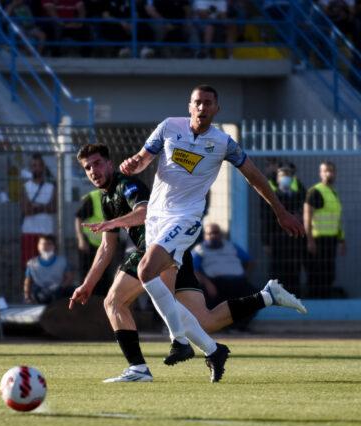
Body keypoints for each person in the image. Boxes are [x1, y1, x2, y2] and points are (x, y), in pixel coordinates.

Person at [70, 143, 306, 382]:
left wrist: (112, 223)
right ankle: (267, 297)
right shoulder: (106, 198)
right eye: (88, 167)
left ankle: (138, 368)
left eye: (97, 164)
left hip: (154, 249)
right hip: (175, 251)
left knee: (114, 301)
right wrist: (87, 285)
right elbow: (107, 247)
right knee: (205, 321)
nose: (93, 171)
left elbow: (144, 212)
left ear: (110, 163)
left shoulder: (127, 184)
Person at [119, 85, 305, 382]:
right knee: (169, 299)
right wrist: (132, 164)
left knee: (145, 271)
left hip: (186, 218)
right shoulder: (169, 127)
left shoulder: (223, 143)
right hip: (156, 219)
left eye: (208, 103)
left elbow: (254, 176)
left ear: (217, 109)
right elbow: (143, 158)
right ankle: (213, 349)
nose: (202, 108)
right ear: (189, 106)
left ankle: (178, 342)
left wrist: (280, 211)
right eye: (197, 102)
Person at [192, 222, 257, 327]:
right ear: (205, 235)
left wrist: (245, 274)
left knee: (255, 297)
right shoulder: (199, 250)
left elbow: (250, 261)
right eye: (210, 233)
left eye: (216, 232)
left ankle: (241, 326)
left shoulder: (231, 246)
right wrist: (207, 283)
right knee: (205, 298)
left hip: (238, 282)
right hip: (216, 284)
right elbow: (192, 270)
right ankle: (221, 327)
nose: (213, 235)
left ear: (221, 234)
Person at [304, 161, 345, 298]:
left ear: (335, 173)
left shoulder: (333, 192)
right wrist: (310, 240)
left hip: (331, 239)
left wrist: (342, 239)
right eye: (325, 170)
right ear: (320, 173)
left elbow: (336, 218)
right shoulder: (315, 191)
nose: (328, 173)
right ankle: (315, 300)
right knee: (317, 274)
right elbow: (307, 217)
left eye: (331, 170)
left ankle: (326, 298)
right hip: (318, 240)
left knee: (329, 274)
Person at [262, 165, 305, 295]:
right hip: (277, 238)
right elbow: (266, 220)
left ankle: (294, 296)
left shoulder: (298, 195)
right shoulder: (273, 196)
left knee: (294, 268)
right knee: (277, 268)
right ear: (277, 179)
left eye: (288, 175)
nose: (285, 178)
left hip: (294, 238)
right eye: (282, 175)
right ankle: (276, 296)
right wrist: (266, 242)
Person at [20, 153, 56, 268]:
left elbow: (54, 208)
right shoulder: (26, 187)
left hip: (46, 231)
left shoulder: (51, 187)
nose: (36, 168)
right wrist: (44, 207)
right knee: (28, 265)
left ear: (43, 167)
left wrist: (35, 207)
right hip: (29, 231)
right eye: (34, 165)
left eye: (39, 165)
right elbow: (26, 210)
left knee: (47, 264)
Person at [74, 188, 111, 294]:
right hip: (90, 244)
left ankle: (100, 300)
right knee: (87, 274)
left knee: (105, 276)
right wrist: (81, 239)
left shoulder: (118, 196)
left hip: (107, 243)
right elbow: (78, 218)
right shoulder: (94, 197)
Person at [24, 235, 74, 304]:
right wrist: (27, 297)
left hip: (57, 291)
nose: (45, 246)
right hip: (40, 292)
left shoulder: (62, 261)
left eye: (49, 244)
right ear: (38, 246)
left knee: (71, 291)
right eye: (42, 244)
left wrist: (60, 288)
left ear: (54, 246)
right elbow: (28, 281)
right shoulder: (31, 263)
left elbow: (69, 278)